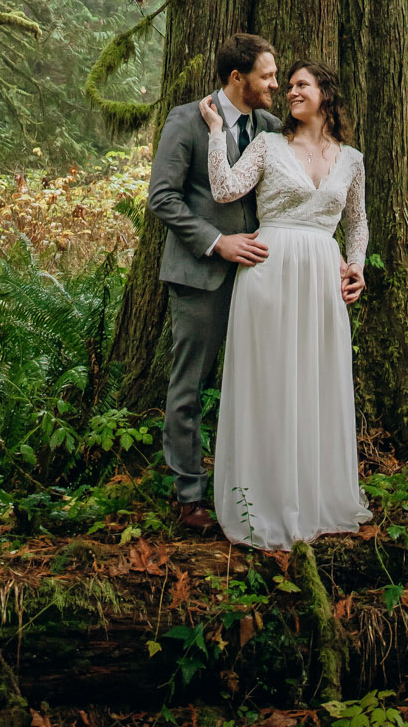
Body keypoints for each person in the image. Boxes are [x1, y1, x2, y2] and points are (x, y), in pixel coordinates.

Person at [201, 58, 370, 549]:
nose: (292, 92)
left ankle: (317, 497)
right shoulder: (269, 144)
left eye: (302, 85)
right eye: (289, 85)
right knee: (270, 385)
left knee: (316, 382)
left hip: (322, 276)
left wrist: (355, 265)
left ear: (325, 93)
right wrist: (216, 130)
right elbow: (225, 187)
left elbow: (356, 222)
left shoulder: (352, 159)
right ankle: (265, 502)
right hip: (270, 274)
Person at [147, 31, 281, 531]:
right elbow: (163, 198)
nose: (275, 83)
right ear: (236, 77)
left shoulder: (270, 126)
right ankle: (189, 497)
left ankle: (250, 487)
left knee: (254, 383)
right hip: (200, 277)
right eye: (267, 75)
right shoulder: (186, 120)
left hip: (261, 277)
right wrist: (216, 241)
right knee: (191, 384)